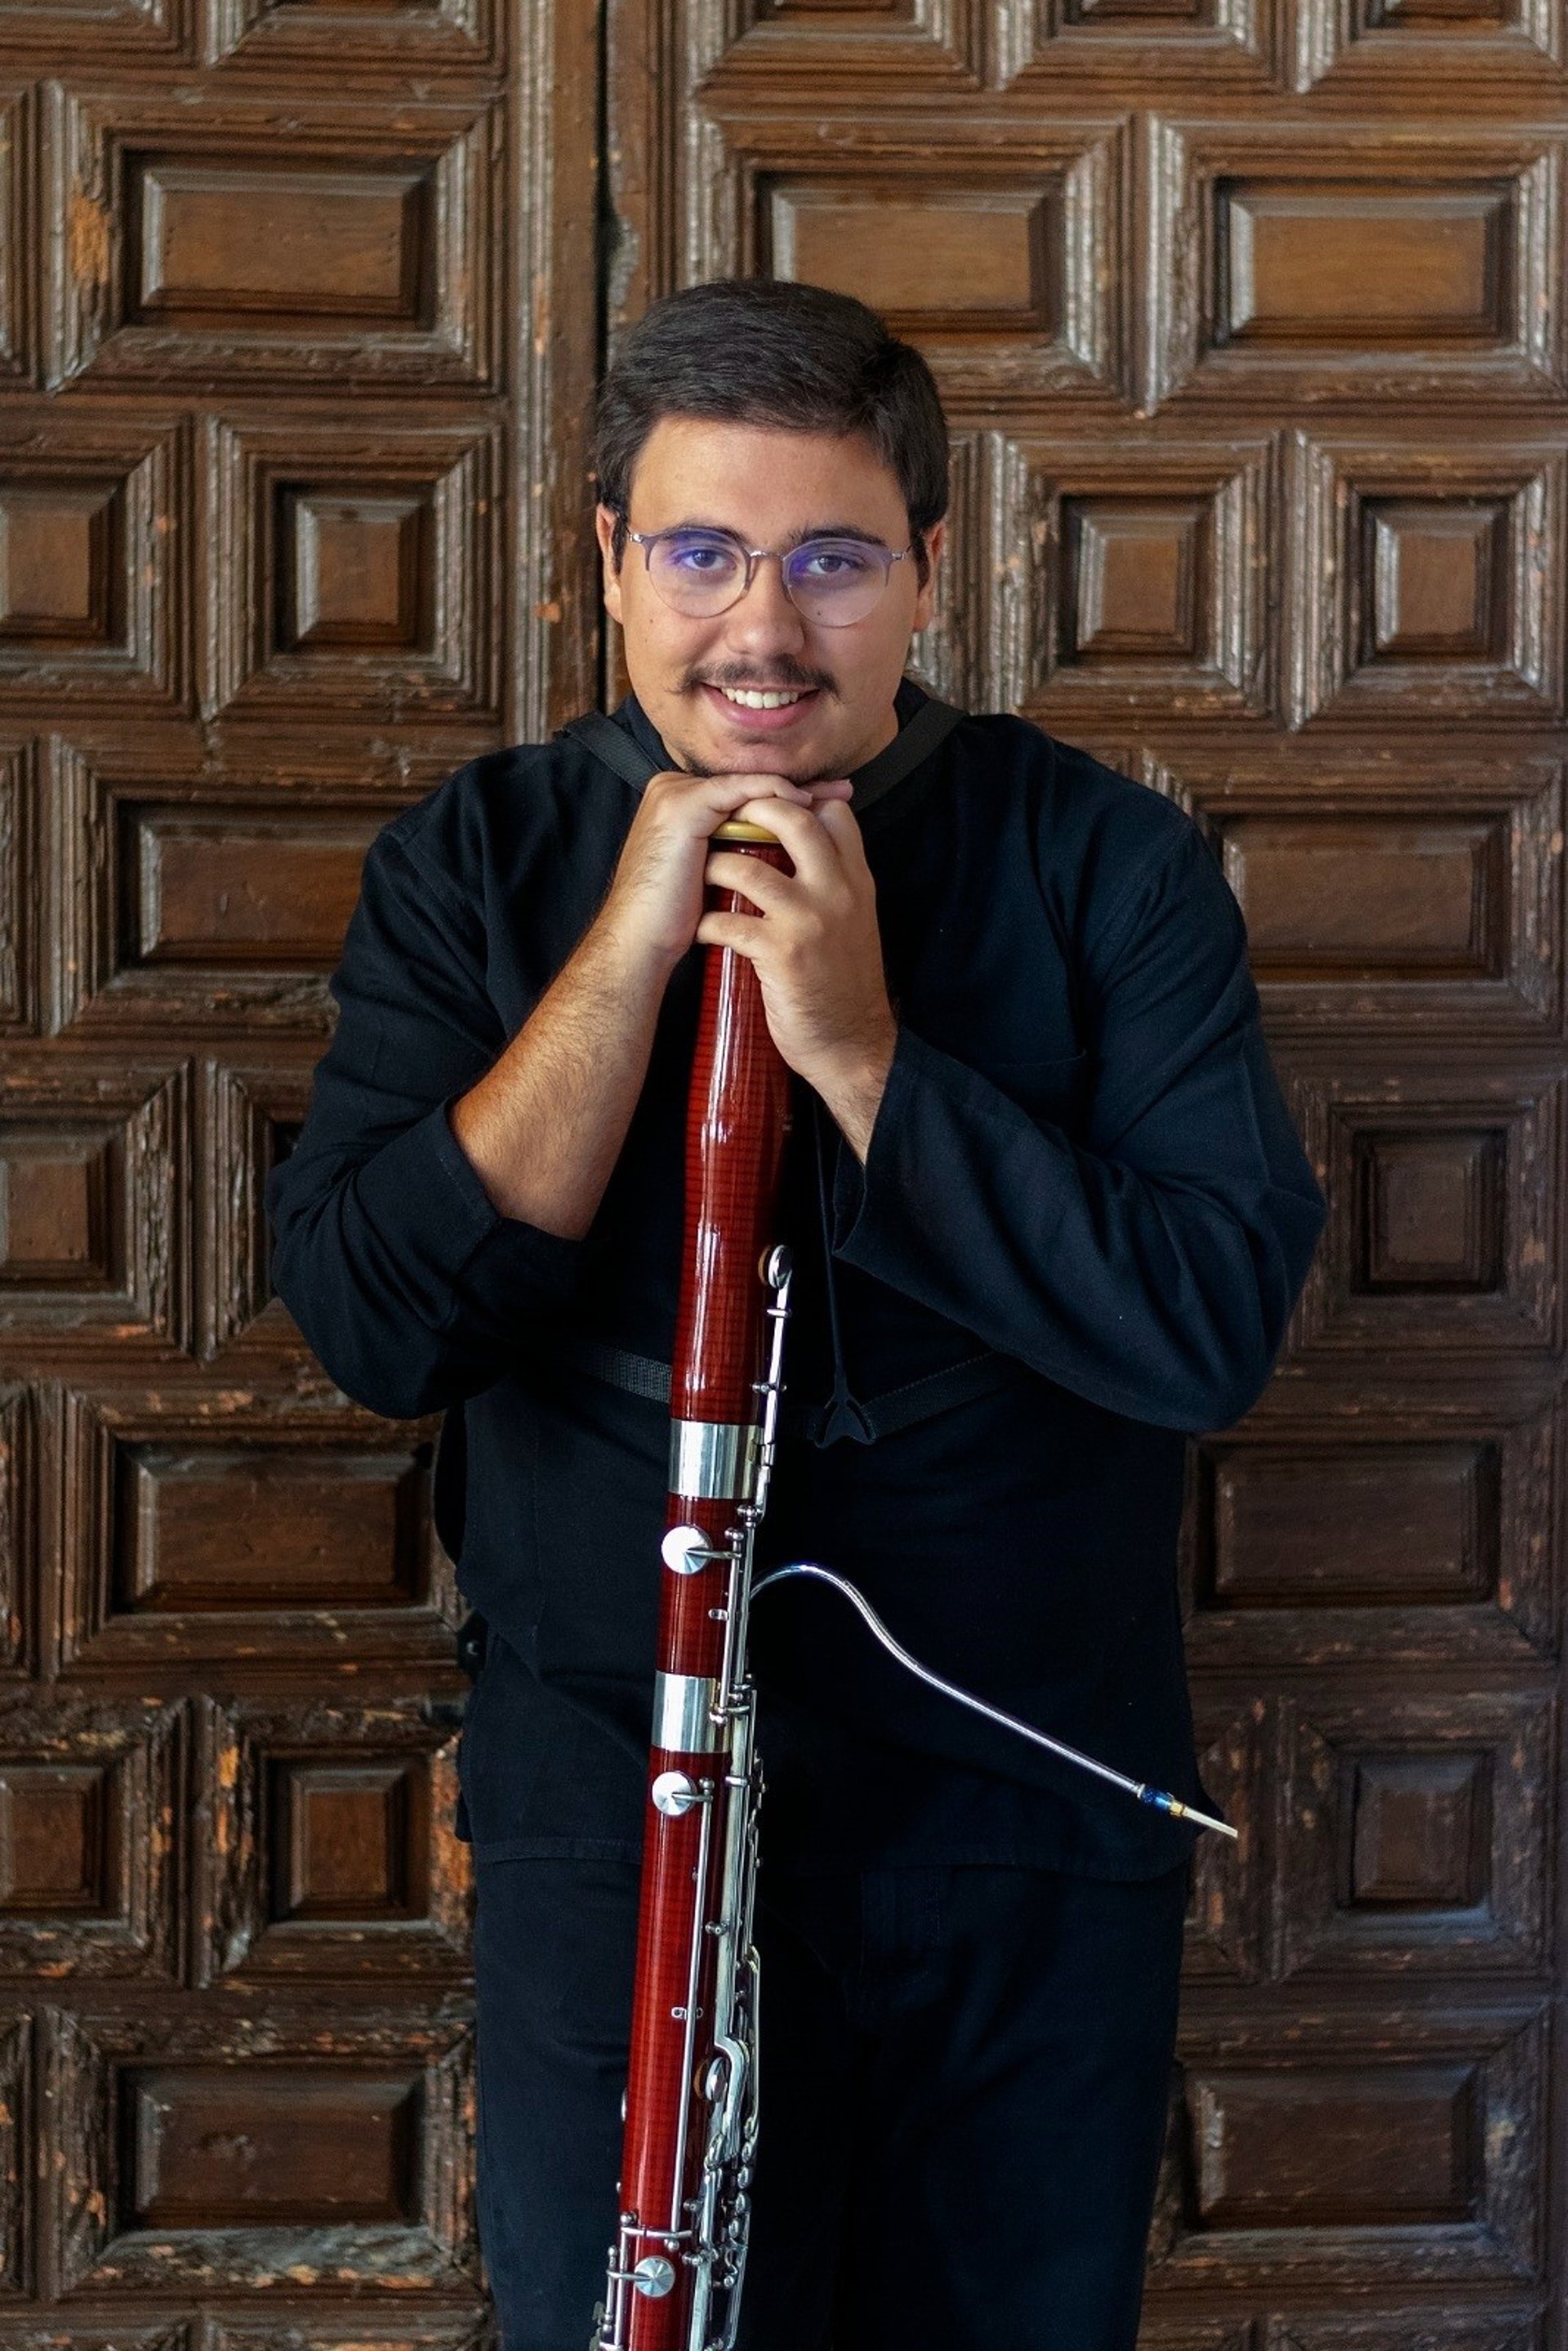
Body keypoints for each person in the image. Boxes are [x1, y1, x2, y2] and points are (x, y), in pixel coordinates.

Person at [268, 277, 1325, 2351]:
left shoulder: (1110, 866)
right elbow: (383, 1327)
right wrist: (626, 953)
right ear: (609, 564)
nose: (762, 628)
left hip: (1027, 1824)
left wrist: (861, 1055)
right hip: (614, 1822)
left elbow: (1206, 1325)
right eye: (701, 553)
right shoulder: (474, 863)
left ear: (931, 568)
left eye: (834, 558)